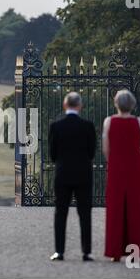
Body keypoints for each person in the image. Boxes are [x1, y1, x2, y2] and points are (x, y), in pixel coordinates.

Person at [48, 92, 96, 261]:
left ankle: (59, 251)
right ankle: (86, 251)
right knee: (85, 213)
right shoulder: (88, 126)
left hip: (62, 174)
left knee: (60, 213)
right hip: (83, 174)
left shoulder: (56, 126)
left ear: (64, 105)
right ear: (80, 106)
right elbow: (92, 152)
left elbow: (52, 154)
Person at [102, 90, 140, 261]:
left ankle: (115, 251)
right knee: (135, 209)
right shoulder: (139, 122)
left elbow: (106, 148)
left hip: (116, 167)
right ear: (132, 104)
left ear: (116, 103)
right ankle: (134, 252)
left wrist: (113, 161)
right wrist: (139, 162)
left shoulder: (109, 121)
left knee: (115, 209)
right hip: (135, 168)